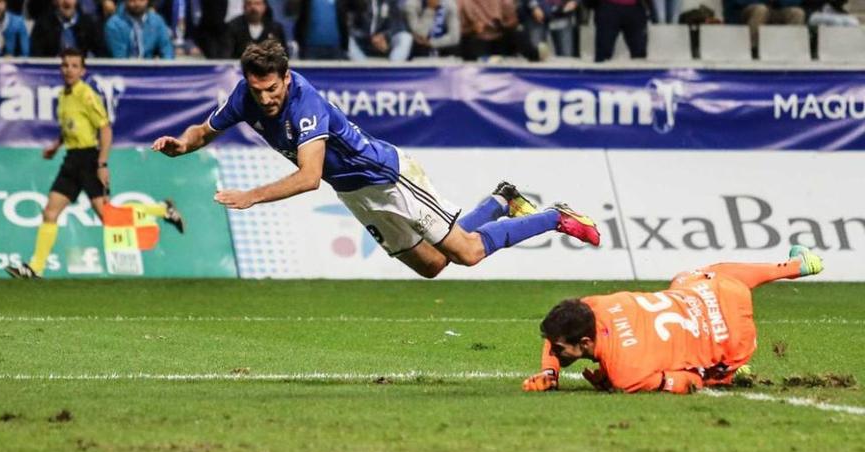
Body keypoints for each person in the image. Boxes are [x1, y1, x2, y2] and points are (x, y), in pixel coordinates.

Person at [152, 40, 601, 279]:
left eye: (273, 89)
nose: (266, 100)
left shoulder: (305, 104)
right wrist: (182, 145)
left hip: (386, 177)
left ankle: (554, 217)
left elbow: (309, 178)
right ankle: (500, 200)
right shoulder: (246, 97)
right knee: (431, 266)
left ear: (286, 78)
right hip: (355, 193)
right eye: (258, 91)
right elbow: (205, 130)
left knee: (467, 253)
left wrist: (252, 196)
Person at [523, 245, 824, 393]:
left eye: (558, 348)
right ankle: (796, 265)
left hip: (734, 346)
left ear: (585, 341)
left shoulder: (626, 376)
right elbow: (560, 334)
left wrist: (605, 377)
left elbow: (690, 382)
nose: (552, 351)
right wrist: (550, 373)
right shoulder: (595, 306)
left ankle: (730, 374)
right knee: (687, 277)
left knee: (696, 367)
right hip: (718, 294)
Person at [5, 48, 185, 280]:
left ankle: (162, 210)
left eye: (74, 66)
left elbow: (105, 129)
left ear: (82, 70)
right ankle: (35, 268)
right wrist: (56, 144)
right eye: (65, 65)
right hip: (71, 159)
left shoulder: (86, 94)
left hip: (89, 159)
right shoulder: (62, 95)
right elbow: (70, 126)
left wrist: (102, 164)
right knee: (50, 212)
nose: (68, 70)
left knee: (109, 218)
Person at [30, 0, 104, 57]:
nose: (67, 2)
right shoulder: (42, 25)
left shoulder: (90, 24)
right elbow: (37, 56)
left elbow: (101, 53)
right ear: (55, 1)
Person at [104, 0, 175, 59]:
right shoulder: (114, 24)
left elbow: (167, 51)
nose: (137, 3)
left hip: (151, 71)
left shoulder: (157, 21)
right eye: (132, 0)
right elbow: (120, 58)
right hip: (123, 72)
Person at [347, 0, 413, 62]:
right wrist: (370, 38)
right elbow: (350, 27)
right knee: (347, 40)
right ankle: (363, 69)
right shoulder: (357, 2)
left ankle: (392, 70)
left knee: (406, 37)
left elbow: (397, 24)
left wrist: (385, 36)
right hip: (362, 41)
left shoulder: (390, 1)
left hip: (383, 41)